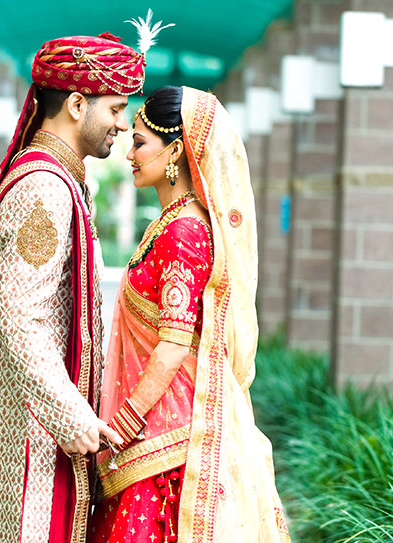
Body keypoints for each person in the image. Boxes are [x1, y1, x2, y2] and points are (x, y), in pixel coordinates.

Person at [0, 33, 147, 543]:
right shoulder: (43, 188)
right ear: (78, 105)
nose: (123, 126)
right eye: (118, 109)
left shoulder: (59, 179)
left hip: (40, 435)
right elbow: (20, 316)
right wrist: (71, 414)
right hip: (33, 445)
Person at [89, 86, 292, 543]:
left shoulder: (184, 231)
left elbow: (174, 344)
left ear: (176, 150)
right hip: (157, 435)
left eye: (139, 142)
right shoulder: (173, 222)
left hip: (167, 446)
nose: (129, 155)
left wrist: (124, 423)